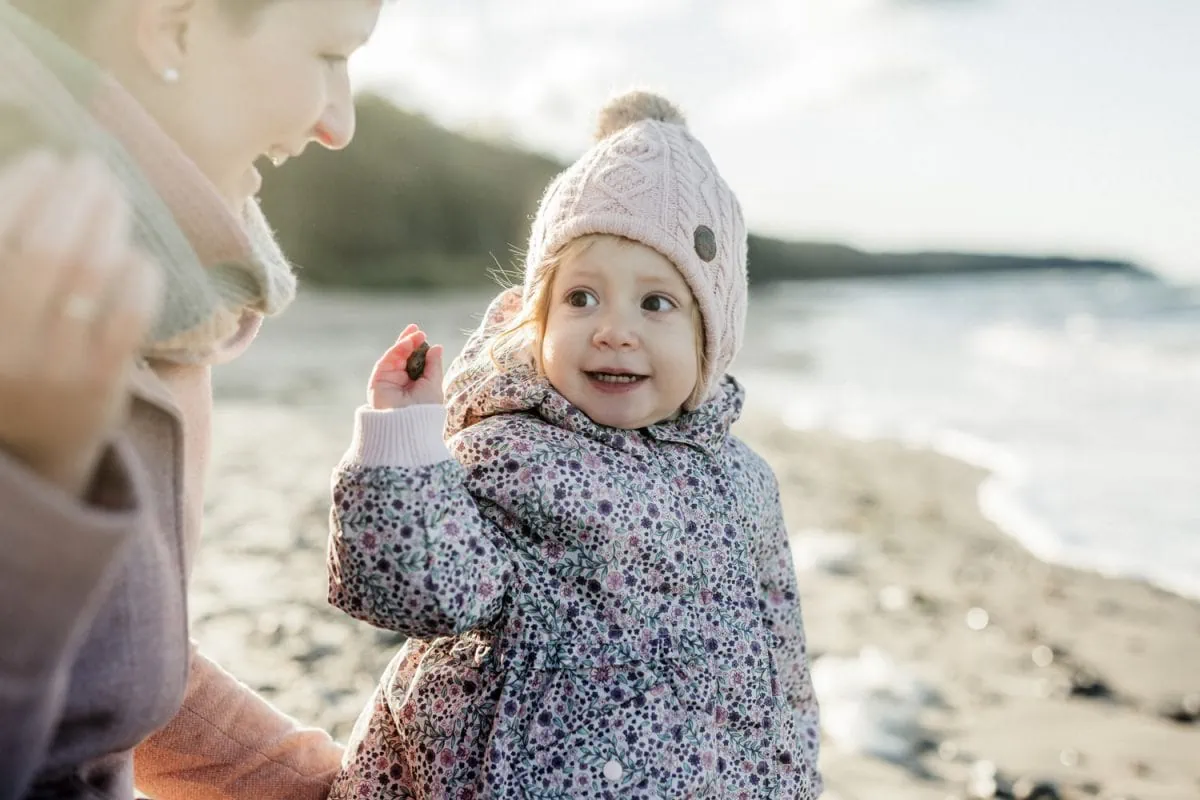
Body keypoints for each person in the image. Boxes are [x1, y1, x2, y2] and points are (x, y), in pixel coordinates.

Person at [326, 90, 824, 799]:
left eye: (656, 303)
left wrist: (791, 782)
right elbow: (421, 595)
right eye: (582, 297)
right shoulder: (508, 452)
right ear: (537, 318)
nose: (613, 329)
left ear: (712, 337)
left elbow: (783, 670)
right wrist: (403, 444)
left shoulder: (746, 484)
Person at [0, 1, 383, 797]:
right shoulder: (34, 280)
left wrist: (319, 786)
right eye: (329, 55)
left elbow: (114, 662)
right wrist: (35, 484)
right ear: (173, 26)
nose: (338, 125)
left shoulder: (168, 293)